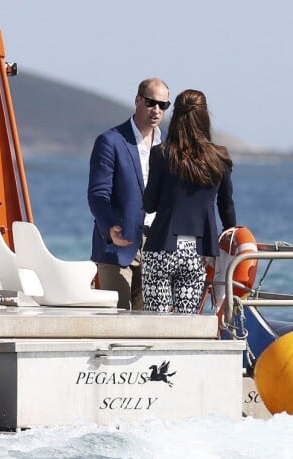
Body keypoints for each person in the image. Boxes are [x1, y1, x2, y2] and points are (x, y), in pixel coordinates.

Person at [141, 89, 236, 314]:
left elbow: (149, 204)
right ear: (205, 117)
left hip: (161, 247)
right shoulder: (220, 157)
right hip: (197, 251)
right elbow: (227, 209)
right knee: (187, 323)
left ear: (175, 117)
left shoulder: (161, 153)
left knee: (157, 323)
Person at [88, 78, 170, 310]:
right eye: (151, 103)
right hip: (119, 243)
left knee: (150, 325)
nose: (156, 110)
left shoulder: (169, 146)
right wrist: (109, 227)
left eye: (163, 105)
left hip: (157, 244)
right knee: (117, 320)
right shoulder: (110, 141)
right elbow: (97, 194)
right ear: (137, 100)